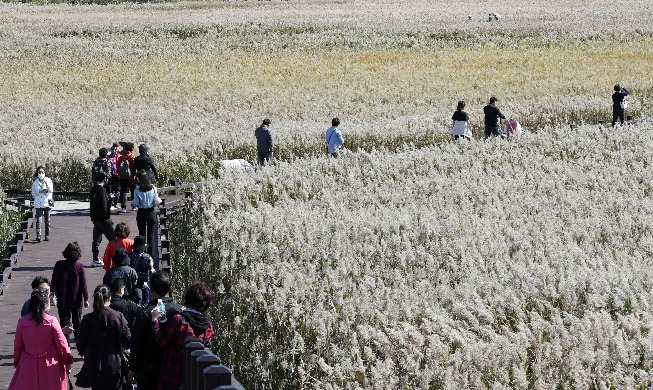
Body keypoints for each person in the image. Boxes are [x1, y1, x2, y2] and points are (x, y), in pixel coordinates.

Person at [151, 282, 214, 389]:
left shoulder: (179, 319)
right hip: (193, 378)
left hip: (172, 374)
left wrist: (155, 320)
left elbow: (161, 340)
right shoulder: (208, 324)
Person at [9, 288, 74, 390]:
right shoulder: (52, 321)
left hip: (28, 364)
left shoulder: (22, 322)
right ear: (45, 305)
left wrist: (17, 361)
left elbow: (18, 346)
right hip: (50, 365)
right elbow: (62, 344)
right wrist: (67, 362)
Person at [128, 271, 182, 390]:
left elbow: (137, 344)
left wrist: (132, 368)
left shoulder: (144, 314)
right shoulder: (179, 311)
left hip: (148, 369)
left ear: (151, 290)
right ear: (170, 289)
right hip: (173, 369)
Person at [75, 285, 131, 390]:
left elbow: (80, 342)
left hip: (94, 365)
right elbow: (128, 339)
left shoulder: (88, 319)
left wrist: (83, 352)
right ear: (109, 298)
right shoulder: (118, 316)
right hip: (115, 365)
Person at [51, 242, 89, 341]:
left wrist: (52, 292)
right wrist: (86, 298)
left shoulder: (59, 264)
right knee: (77, 322)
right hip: (76, 299)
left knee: (64, 322)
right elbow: (83, 283)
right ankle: (78, 342)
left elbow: (54, 281)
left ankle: (65, 343)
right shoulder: (79, 266)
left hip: (62, 298)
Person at [131, 171, 161, 256]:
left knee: (142, 234)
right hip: (151, 212)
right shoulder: (153, 187)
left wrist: (132, 204)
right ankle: (151, 255)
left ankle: (143, 254)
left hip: (141, 213)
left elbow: (136, 203)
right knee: (151, 236)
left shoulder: (137, 190)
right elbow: (156, 200)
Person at [90, 173, 115, 267]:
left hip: (95, 219)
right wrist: (107, 218)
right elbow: (104, 206)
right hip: (103, 219)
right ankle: (116, 259)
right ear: (104, 179)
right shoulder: (102, 190)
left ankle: (95, 259)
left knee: (96, 240)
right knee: (113, 239)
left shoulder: (93, 190)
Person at [129, 235, 154, 305]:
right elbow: (151, 271)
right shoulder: (148, 257)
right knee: (145, 303)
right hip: (144, 283)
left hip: (132, 282)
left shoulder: (128, 256)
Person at [31, 166, 54, 242]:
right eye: (39, 172)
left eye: (42, 172)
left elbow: (51, 190)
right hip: (38, 204)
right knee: (39, 220)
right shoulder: (35, 182)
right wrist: (39, 192)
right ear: (37, 173)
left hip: (47, 203)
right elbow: (33, 193)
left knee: (47, 220)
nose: (41, 173)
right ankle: (38, 236)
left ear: (45, 173)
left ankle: (47, 235)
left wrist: (46, 184)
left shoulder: (49, 180)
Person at [117, 142, 136, 214]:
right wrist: (134, 176)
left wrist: (120, 175)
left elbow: (118, 167)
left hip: (122, 177)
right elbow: (134, 168)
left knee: (123, 192)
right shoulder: (132, 157)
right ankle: (134, 206)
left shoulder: (120, 157)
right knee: (133, 191)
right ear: (132, 149)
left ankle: (123, 207)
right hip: (131, 177)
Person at [107, 142, 121, 210]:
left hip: (112, 176)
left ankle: (113, 203)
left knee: (113, 189)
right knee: (115, 189)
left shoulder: (108, 157)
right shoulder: (119, 157)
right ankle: (114, 203)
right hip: (115, 175)